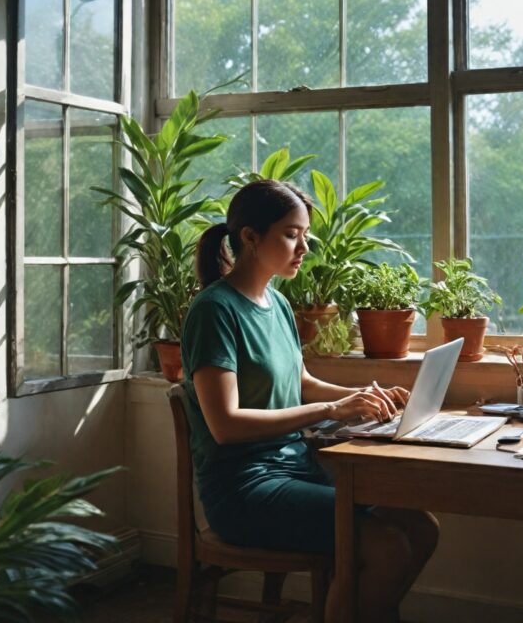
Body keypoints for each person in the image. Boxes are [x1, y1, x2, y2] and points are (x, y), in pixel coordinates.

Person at [182, 179, 439, 623]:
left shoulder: (278, 304)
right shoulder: (214, 311)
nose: (304, 247)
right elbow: (225, 424)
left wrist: (362, 397)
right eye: (291, 234)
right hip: (243, 488)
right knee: (388, 546)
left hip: (296, 469)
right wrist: (331, 411)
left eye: (305, 235)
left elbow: (301, 382)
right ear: (250, 238)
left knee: (421, 526)